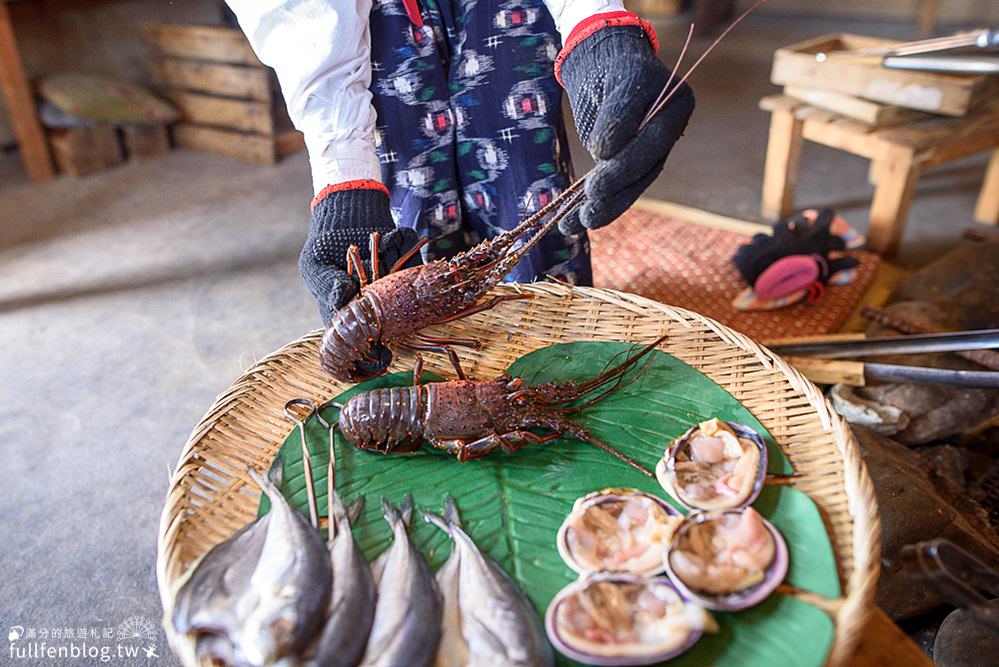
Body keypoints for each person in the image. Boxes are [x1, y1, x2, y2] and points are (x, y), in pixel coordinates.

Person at [226, 0, 694, 324]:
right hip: (370, 17)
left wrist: (599, 29)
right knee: (409, 234)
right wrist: (344, 179)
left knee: (533, 215)